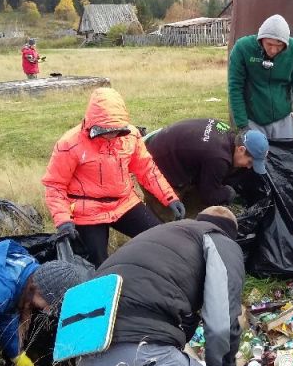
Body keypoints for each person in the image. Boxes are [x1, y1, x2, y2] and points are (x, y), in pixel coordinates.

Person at [78, 206, 255, 366]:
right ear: (229, 233)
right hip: (137, 350)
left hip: (88, 357)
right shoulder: (219, 240)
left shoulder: (164, 236)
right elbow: (221, 321)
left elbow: (181, 318)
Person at [42, 87, 185, 267]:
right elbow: (55, 185)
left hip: (124, 202)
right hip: (87, 211)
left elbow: (146, 169)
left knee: (159, 239)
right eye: (106, 130)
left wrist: (169, 198)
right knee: (97, 262)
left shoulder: (131, 135)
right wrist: (63, 220)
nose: (112, 134)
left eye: (117, 130)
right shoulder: (69, 144)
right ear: (92, 124)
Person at [143, 118, 269, 219]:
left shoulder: (228, 133)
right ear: (241, 149)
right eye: (250, 162)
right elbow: (209, 196)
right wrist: (229, 192)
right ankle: (151, 216)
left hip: (164, 147)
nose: (248, 167)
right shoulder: (219, 159)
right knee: (172, 220)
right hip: (152, 168)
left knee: (196, 203)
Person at [228, 13, 293, 140]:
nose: (273, 50)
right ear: (261, 39)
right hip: (253, 119)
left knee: (287, 156)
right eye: (269, 44)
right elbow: (235, 88)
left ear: (286, 44)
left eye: (279, 46)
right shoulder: (242, 48)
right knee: (256, 157)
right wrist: (242, 125)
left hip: (283, 118)